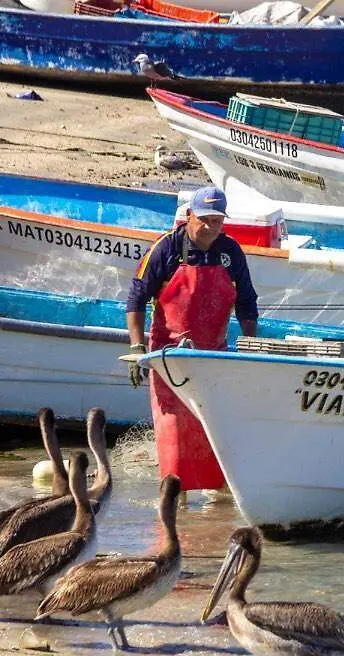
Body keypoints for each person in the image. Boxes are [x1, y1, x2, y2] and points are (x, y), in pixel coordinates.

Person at [126, 186, 258, 491]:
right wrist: (135, 348)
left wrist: (251, 345)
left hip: (214, 357)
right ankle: (176, 507)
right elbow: (136, 298)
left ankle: (217, 507)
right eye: (205, 219)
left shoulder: (231, 252)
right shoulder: (165, 249)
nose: (212, 227)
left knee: (215, 434)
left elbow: (247, 302)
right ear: (189, 216)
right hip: (169, 358)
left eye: (218, 220)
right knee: (173, 435)